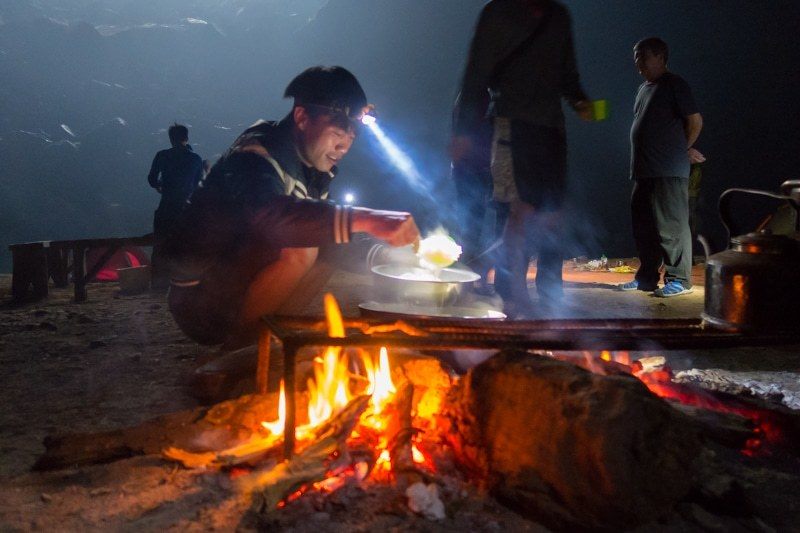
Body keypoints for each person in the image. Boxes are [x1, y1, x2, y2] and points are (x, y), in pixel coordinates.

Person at [163, 66, 420, 350]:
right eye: (336, 133)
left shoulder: (311, 170)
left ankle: (265, 339)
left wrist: (392, 256)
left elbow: (328, 235)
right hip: (199, 299)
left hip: (229, 283)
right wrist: (366, 217)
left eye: (349, 140)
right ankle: (231, 352)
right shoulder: (254, 156)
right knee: (303, 245)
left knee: (325, 241)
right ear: (301, 117)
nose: (342, 147)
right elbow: (270, 216)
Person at [452, 0, 593, 317]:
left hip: (553, 128)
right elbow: (476, 73)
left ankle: (475, 267)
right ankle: (516, 297)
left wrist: (581, 101)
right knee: (518, 214)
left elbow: (567, 72)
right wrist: (462, 131)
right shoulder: (497, 12)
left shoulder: (558, 15)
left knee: (550, 217)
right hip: (511, 124)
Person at [618, 37, 703, 297]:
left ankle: (679, 280)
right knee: (644, 226)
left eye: (643, 56)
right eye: (636, 56)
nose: (637, 62)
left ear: (660, 57)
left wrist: (681, 148)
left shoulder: (674, 84)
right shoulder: (644, 88)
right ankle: (646, 278)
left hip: (668, 169)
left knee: (672, 226)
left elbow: (695, 121)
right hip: (644, 171)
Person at [147, 123, 204, 289]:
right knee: (187, 246)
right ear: (186, 138)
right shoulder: (195, 158)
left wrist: (160, 185)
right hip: (186, 210)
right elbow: (198, 184)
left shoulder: (162, 156)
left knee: (160, 246)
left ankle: (159, 284)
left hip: (166, 207)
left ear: (170, 139)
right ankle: (186, 282)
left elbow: (151, 179)